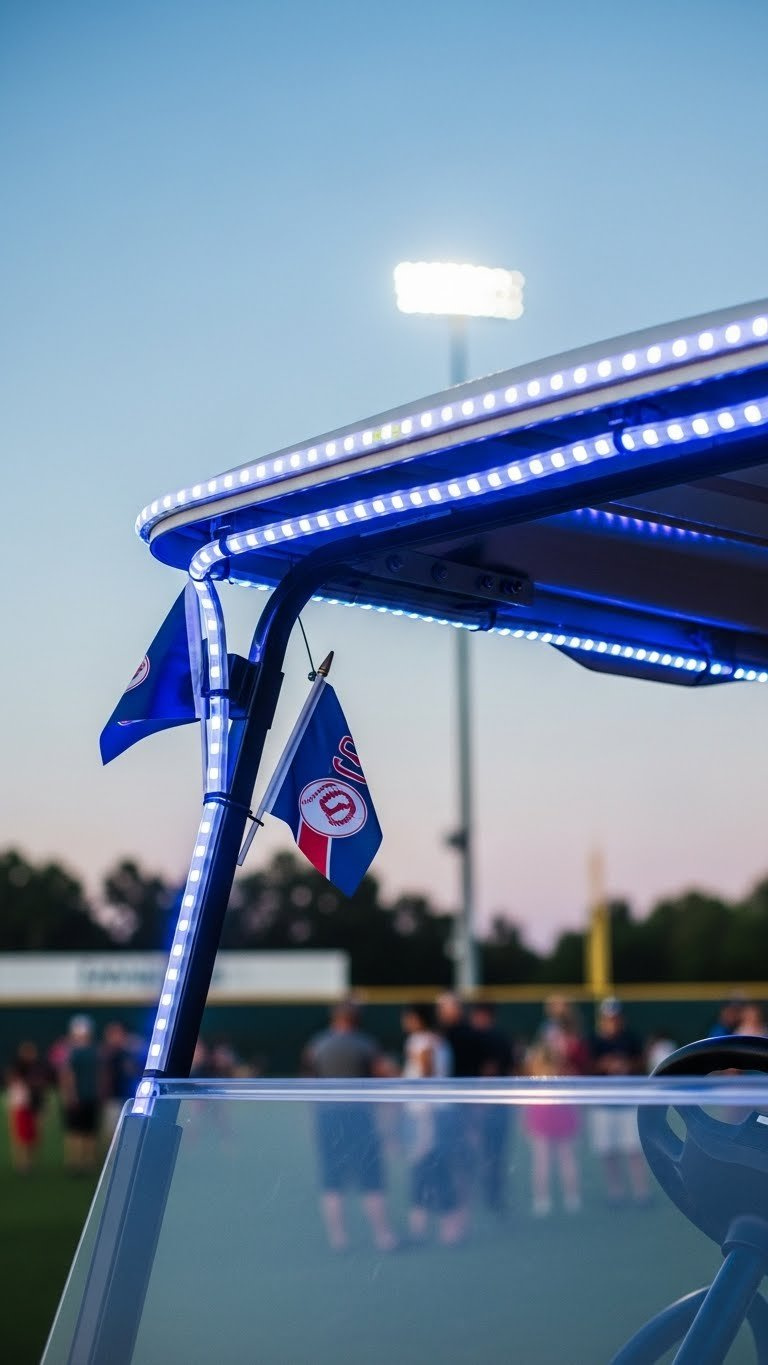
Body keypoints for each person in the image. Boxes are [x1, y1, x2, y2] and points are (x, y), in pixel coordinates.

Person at [304, 1002, 396, 1252]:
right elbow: (383, 1077)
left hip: (328, 1118)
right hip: (359, 1118)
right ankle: (383, 1236)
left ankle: (338, 1239)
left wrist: (313, 1121)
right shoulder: (365, 1043)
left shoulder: (318, 1044)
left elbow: (309, 1084)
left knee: (332, 1180)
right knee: (371, 1178)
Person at [401, 1004, 462, 1244]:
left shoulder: (421, 1041)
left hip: (427, 1114)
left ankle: (425, 1232)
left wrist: (425, 1127)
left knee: (425, 1172)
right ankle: (447, 1232)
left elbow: (425, 1076)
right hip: (437, 1113)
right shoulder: (438, 1041)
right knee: (438, 1171)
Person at [589, 998, 650, 1207]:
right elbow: (587, 1068)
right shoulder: (595, 1041)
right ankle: (616, 1193)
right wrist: (604, 1065)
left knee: (633, 1150)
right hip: (604, 1104)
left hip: (628, 1103)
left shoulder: (631, 1038)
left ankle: (641, 1192)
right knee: (608, 1151)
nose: (612, 1021)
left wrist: (626, 1064)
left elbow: (642, 1062)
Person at [524, 1037, 582, 1216]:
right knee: (550, 1159)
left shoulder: (557, 1069)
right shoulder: (544, 1068)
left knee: (558, 1159)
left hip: (555, 1113)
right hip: (547, 1114)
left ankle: (554, 1198)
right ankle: (552, 1198)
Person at [469, 1002, 514, 1213]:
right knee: (493, 1154)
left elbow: (490, 1070)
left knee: (487, 1154)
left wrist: (481, 1102)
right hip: (500, 1105)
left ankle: (490, 1196)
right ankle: (492, 1196)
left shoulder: (489, 1038)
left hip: (489, 1106)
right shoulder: (501, 1036)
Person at [60, 1015, 101, 1173]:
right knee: (76, 1130)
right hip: (79, 1096)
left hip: (90, 1096)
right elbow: (67, 1074)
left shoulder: (92, 1051)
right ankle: (75, 1161)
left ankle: (87, 1161)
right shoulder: (73, 1052)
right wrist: (71, 1094)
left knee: (89, 1130)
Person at [6, 1042, 49, 1172]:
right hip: (22, 1105)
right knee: (21, 1135)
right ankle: (21, 1162)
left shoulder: (38, 1067)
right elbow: (13, 1082)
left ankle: (30, 1161)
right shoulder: (17, 1067)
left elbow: (42, 1084)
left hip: (35, 1104)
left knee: (35, 1136)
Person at [101, 1021, 140, 1143]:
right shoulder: (106, 1054)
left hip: (127, 1097)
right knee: (112, 1133)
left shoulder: (129, 1053)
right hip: (113, 1098)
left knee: (128, 1131)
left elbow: (133, 1071)